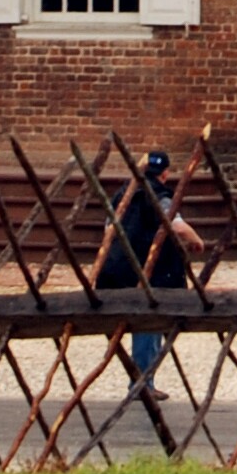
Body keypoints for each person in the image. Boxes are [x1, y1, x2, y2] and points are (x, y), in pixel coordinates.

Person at [91, 149, 207, 396]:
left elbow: (108, 229)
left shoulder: (123, 194)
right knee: (148, 320)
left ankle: (142, 380)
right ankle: (143, 382)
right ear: (165, 174)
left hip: (118, 266)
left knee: (139, 320)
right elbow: (177, 226)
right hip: (148, 271)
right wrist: (198, 242)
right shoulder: (159, 195)